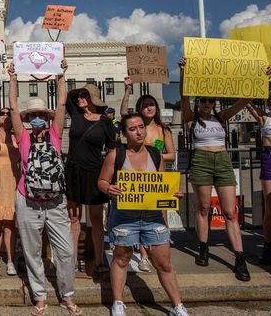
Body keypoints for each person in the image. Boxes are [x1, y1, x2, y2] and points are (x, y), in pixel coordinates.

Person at [8, 61, 83, 316]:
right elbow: (14, 107)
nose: (37, 119)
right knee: (32, 251)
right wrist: (13, 78)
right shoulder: (24, 137)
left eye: (41, 116)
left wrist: (62, 76)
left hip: (55, 202)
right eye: (33, 116)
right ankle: (39, 296)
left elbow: (62, 105)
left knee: (65, 250)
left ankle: (67, 296)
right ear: (28, 120)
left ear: (46, 119)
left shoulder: (54, 134)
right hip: (28, 200)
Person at [97, 113, 188, 316]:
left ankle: (177, 306)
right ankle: (118, 303)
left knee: (164, 263)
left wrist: (173, 195)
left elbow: (163, 185)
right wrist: (108, 188)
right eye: (132, 128)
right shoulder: (116, 154)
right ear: (123, 133)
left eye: (141, 127)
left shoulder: (155, 154)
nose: (139, 132)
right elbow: (102, 181)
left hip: (153, 217)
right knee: (121, 259)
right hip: (124, 217)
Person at [178, 57, 251, 281]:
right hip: (201, 159)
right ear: (198, 103)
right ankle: (203, 247)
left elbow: (245, 99)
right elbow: (183, 97)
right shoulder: (191, 119)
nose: (207, 103)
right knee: (203, 208)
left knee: (230, 212)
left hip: (222, 160)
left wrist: (262, 78)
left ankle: (239, 257)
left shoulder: (222, 116)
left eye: (211, 100)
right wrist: (183, 73)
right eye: (204, 100)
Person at [120, 77, 176, 272]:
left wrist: (154, 155)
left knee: (161, 214)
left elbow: (170, 154)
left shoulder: (162, 130)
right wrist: (127, 90)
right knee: (140, 215)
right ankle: (144, 256)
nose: (149, 108)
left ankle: (161, 252)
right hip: (138, 178)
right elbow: (123, 114)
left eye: (151, 104)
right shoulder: (137, 127)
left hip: (158, 178)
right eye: (145, 106)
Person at [65, 83, 116, 277]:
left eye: (84, 95)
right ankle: (72, 261)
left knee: (96, 220)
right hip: (74, 172)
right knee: (74, 218)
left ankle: (100, 260)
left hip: (95, 173)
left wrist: (111, 176)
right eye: (79, 95)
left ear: (93, 98)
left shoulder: (105, 123)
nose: (79, 98)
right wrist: (61, 73)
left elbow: (112, 150)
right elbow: (67, 97)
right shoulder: (76, 115)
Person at [246, 87, 271, 265]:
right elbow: (246, 102)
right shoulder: (264, 117)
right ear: (269, 101)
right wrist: (261, 81)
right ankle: (267, 246)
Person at [0, 107, 20, 276]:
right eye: (2, 113)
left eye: (9, 114)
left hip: (12, 181)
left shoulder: (16, 137)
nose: (5, 116)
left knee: (9, 223)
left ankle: (11, 260)